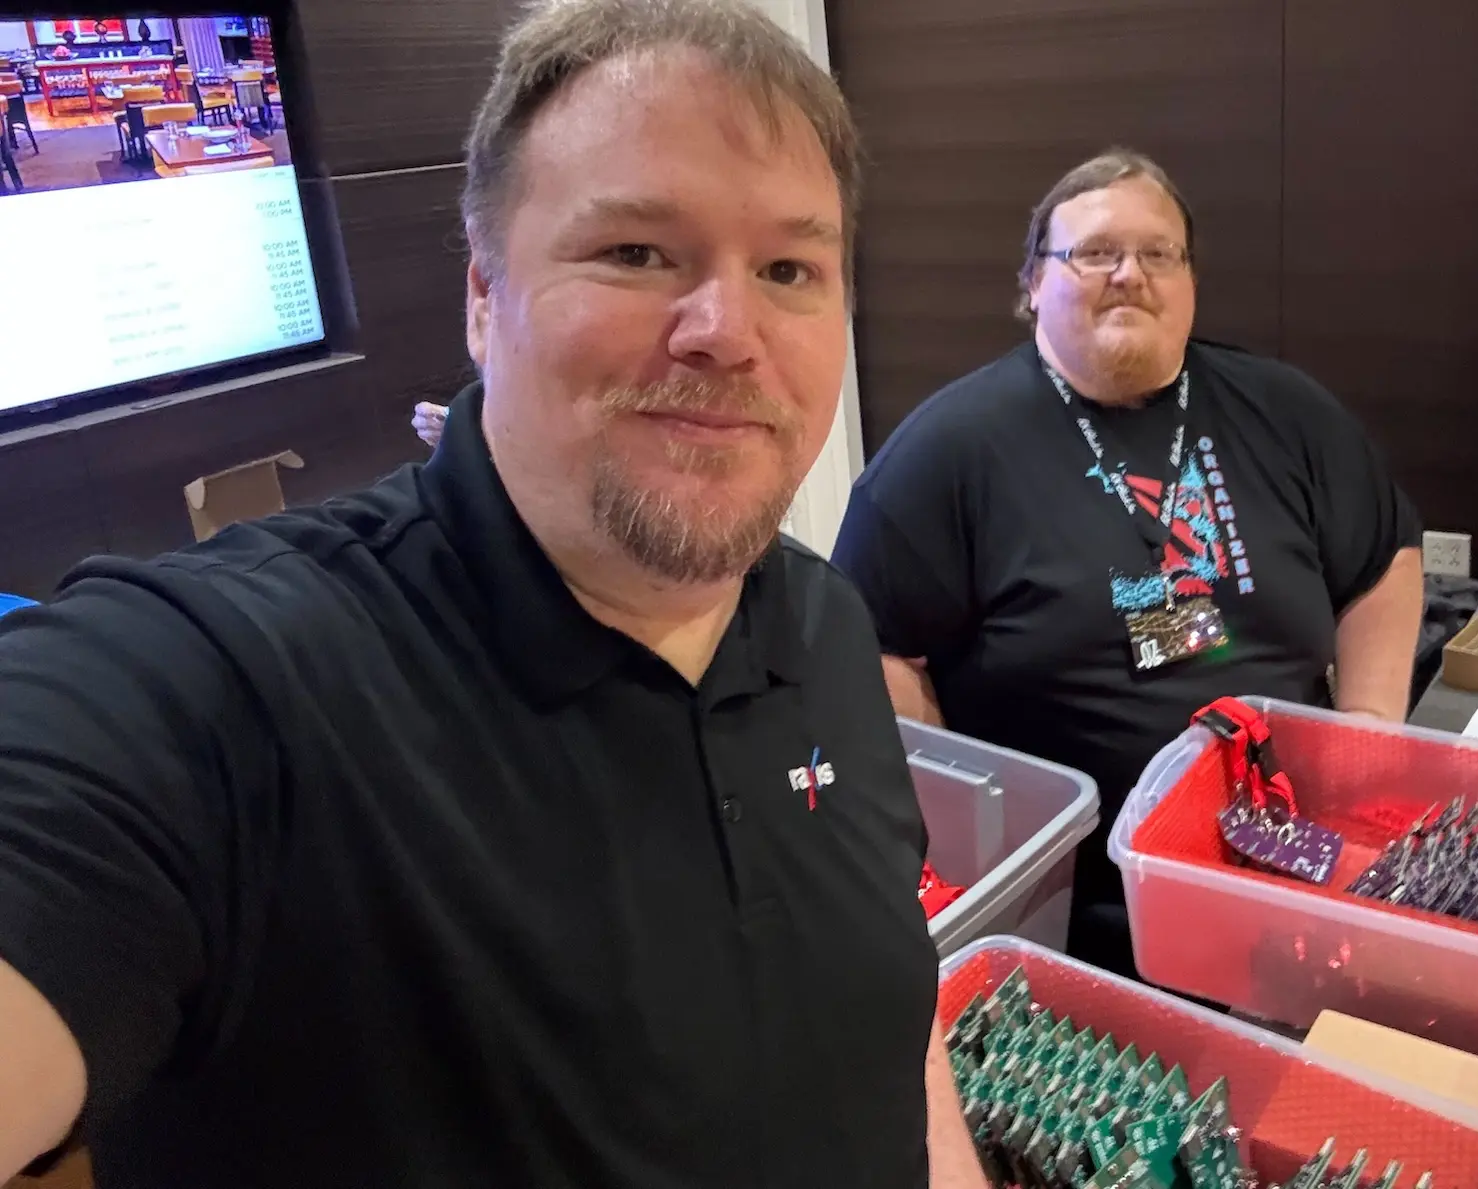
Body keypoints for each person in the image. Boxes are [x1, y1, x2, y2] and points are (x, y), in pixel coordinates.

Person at [0, 2, 981, 1186]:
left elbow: (884, 1004)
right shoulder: (230, 687)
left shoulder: (825, 625)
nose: (727, 329)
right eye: (635, 252)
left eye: (788, 267)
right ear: (481, 296)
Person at [831, 149, 1424, 976]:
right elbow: (872, 642)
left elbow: (1382, 556)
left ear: (1189, 283)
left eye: (1158, 254)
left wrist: (1368, 736)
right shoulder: (947, 452)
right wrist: (964, 833)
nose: (1130, 274)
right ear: (1032, 282)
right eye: (1096, 252)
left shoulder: (1286, 411)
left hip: (1296, 867)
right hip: (1079, 909)